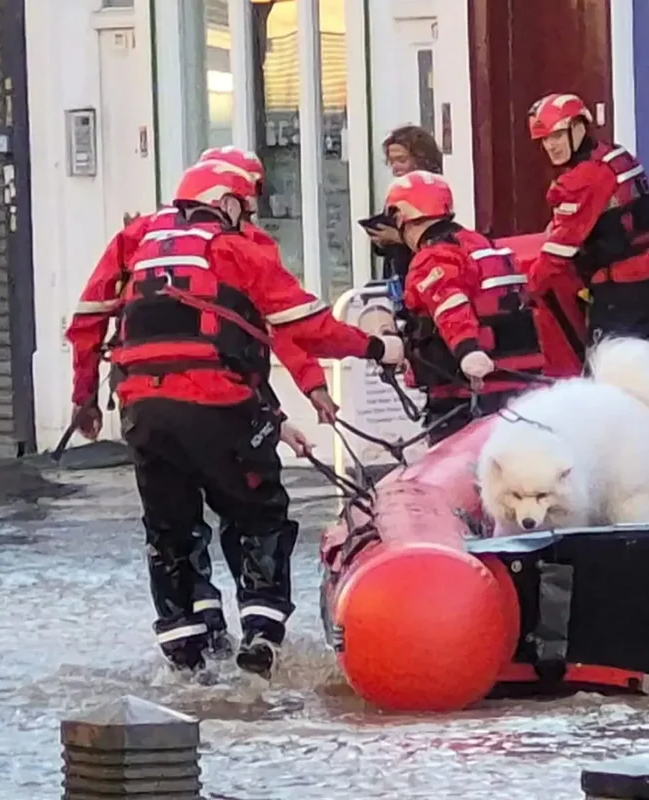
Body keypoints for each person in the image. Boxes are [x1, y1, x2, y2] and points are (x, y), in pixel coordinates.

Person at [66, 159, 404, 678]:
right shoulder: (238, 249)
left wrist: (84, 398)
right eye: (246, 205)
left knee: (169, 528)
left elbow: (88, 322)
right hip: (220, 406)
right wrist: (377, 347)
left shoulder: (135, 239)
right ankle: (262, 636)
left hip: (143, 410)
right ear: (228, 202)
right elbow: (303, 325)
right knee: (258, 514)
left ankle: (187, 650)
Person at [525, 92, 649, 367]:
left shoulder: (581, 179)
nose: (550, 146)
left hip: (626, 293)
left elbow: (558, 252)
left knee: (607, 388)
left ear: (579, 128)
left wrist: (526, 290)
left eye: (556, 136)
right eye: (544, 140)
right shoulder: (615, 156)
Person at [384, 170, 547, 442]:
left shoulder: (432, 257)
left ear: (400, 217)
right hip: (520, 383)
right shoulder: (479, 244)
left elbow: (450, 306)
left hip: (466, 395)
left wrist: (467, 350)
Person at [363, 125, 446, 282]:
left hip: (425, 276)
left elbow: (441, 240)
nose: (396, 168)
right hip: (397, 273)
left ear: (421, 158)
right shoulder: (398, 192)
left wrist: (399, 238)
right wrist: (381, 239)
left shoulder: (436, 191)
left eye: (402, 160)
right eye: (391, 162)